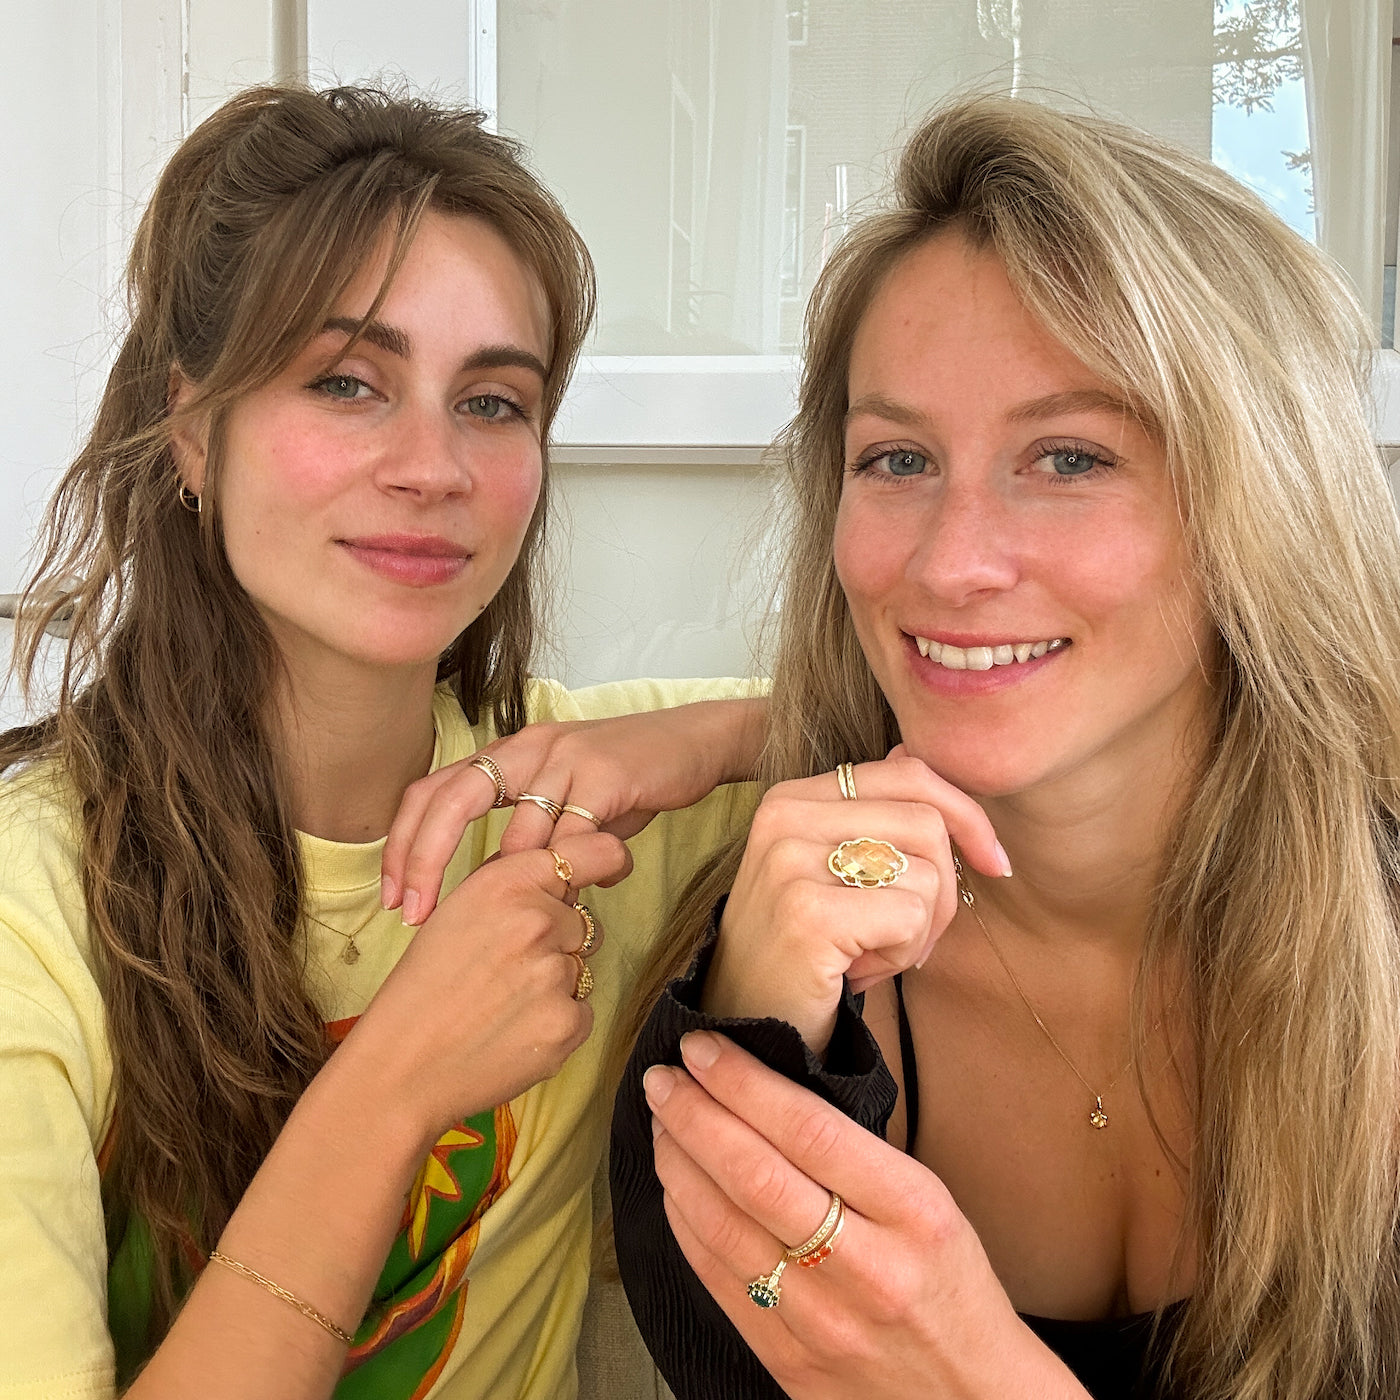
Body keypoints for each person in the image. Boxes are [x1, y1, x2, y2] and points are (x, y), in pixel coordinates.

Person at [611, 93, 1400, 1400]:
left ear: (1267, 503)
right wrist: (764, 1045)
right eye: (897, 459)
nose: (951, 563)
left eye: (1070, 458)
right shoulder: (770, 958)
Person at [0, 84, 767, 1400]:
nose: (432, 467)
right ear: (192, 431)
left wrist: (714, 737)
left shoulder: (589, 806)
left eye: (493, 402)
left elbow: (1000, 746)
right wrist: (399, 1079)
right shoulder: (30, 906)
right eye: (347, 382)